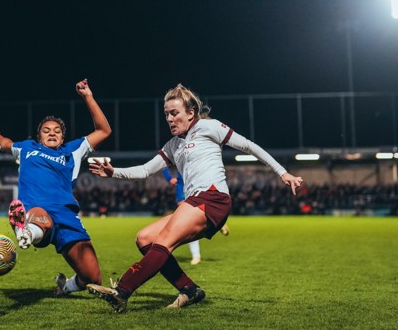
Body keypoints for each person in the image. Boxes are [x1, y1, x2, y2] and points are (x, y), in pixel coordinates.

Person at [87, 84, 303, 312]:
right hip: (195, 202)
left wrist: (283, 172)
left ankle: (122, 291)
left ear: (190, 113)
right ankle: (189, 290)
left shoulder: (209, 127)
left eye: (174, 113)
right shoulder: (172, 145)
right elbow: (145, 170)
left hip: (212, 198)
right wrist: (114, 172)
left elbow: (249, 146)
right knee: (145, 239)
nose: (169, 119)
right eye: (166, 114)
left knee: (163, 241)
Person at [0, 78, 111, 296]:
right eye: (46, 130)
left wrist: (88, 97)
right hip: (37, 209)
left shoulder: (73, 150)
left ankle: (66, 286)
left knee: (93, 278)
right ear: (39, 136)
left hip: (67, 214)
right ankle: (26, 231)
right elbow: (7, 143)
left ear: (63, 136)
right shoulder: (27, 148)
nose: (52, 133)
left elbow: (104, 130)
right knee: (40, 218)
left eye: (56, 131)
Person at [161, 169, 229, 265]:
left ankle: (215, 221)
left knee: (191, 218)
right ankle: (196, 255)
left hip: (196, 179)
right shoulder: (175, 154)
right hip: (182, 183)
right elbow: (163, 162)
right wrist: (169, 177)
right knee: (187, 221)